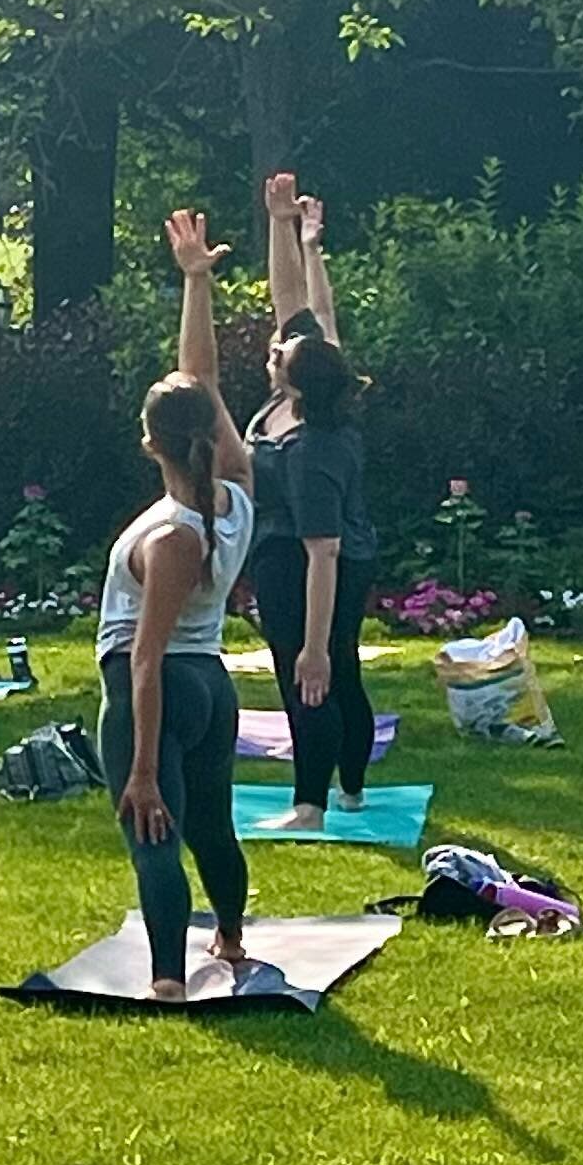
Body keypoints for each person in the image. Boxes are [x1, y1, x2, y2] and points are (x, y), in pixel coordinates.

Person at [98, 209, 259, 998]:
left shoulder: (170, 537)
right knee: (214, 828)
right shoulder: (236, 493)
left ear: (149, 442)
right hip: (214, 689)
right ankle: (227, 938)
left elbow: (145, 658)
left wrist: (140, 769)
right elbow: (204, 381)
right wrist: (197, 282)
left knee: (152, 830)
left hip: (161, 692)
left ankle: (166, 980)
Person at [246, 174, 378, 828]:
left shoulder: (314, 448)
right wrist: (285, 227)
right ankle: (349, 787)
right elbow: (295, 305)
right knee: (337, 677)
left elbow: (322, 553)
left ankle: (311, 803)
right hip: (296, 555)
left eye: (279, 355)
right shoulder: (300, 395)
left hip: (315, 564)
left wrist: (315, 642)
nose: (273, 349)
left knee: (314, 676)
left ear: (295, 379)